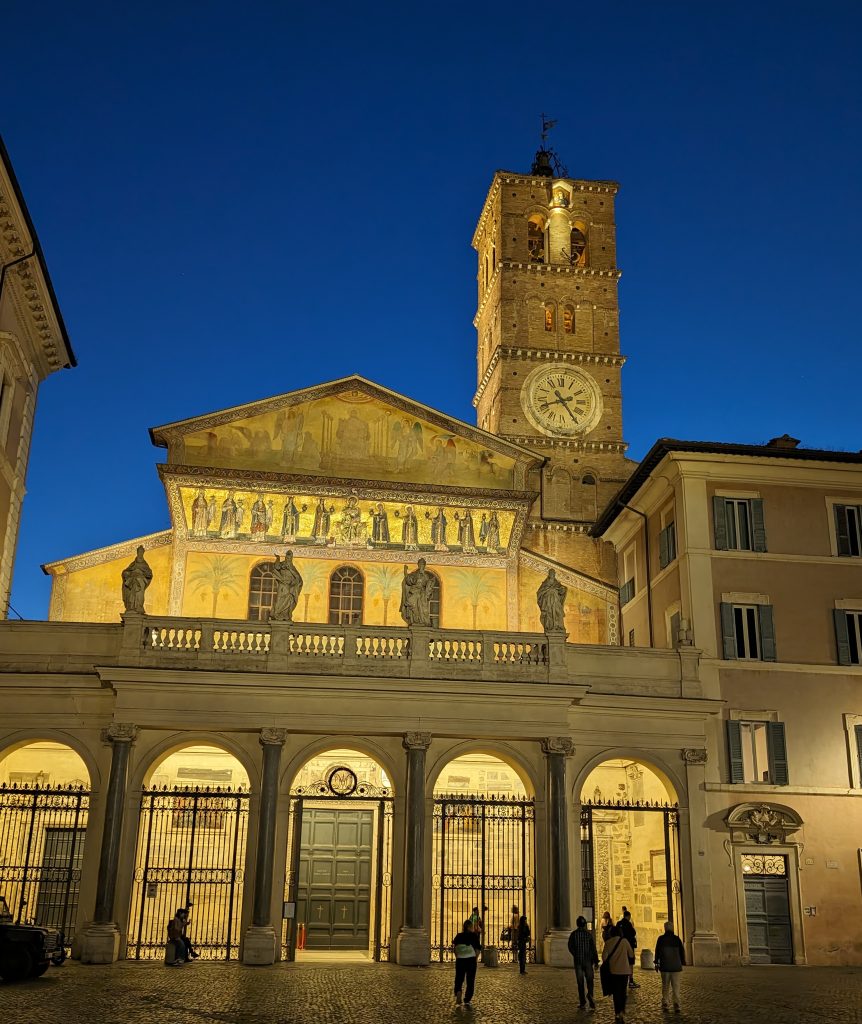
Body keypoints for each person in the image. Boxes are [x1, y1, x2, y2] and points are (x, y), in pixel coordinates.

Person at [602, 924, 634, 1023]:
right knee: (623, 991)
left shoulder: (608, 943)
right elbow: (631, 954)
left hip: (614, 971)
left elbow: (604, 958)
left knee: (616, 993)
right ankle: (622, 1011)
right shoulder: (624, 941)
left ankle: (617, 1012)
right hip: (624, 971)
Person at [568, 915, 599, 1009]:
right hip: (588, 961)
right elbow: (593, 948)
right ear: (584, 924)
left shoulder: (574, 934)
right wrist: (596, 961)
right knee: (590, 981)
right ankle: (590, 995)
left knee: (580, 982)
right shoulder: (588, 934)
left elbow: (570, 946)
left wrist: (575, 954)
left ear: (577, 924)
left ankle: (582, 1002)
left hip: (578, 961)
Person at [654, 921, 686, 1013]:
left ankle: (665, 1004)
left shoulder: (661, 939)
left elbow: (657, 952)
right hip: (676, 967)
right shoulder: (677, 939)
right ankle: (677, 1004)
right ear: (672, 929)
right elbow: (682, 952)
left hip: (665, 966)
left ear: (665, 928)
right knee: (676, 986)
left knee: (665, 986)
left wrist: (656, 963)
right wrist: (682, 962)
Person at [452, 919, 481, 1006]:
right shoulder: (474, 936)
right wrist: (475, 958)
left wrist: (458, 957)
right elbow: (478, 949)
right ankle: (467, 999)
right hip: (470, 960)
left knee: (459, 978)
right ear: (469, 927)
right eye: (472, 926)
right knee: (470, 979)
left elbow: (455, 948)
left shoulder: (459, 936)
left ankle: (458, 992)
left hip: (460, 960)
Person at [617, 908, 639, 988]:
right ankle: (631, 981)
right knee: (630, 963)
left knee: (622, 962)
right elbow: (633, 933)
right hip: (629, 945)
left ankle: (622, 981)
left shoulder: (618, 923)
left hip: (620, 945)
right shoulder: (628, 924)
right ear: (628, 916)